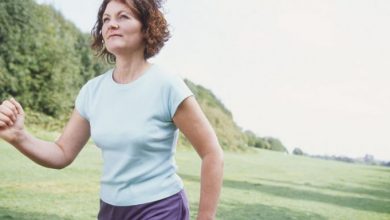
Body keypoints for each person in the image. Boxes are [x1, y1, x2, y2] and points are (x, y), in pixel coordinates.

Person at [0, 0, 224, 219]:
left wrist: (206, 217)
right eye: (106, 19)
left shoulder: (167, 85)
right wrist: (19, 137)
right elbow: (62, 153)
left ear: (147, 27)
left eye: (123, 16)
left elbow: (212, 152)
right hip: (110, 209)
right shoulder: (92, 91)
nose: (111, 24)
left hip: (160, 208)